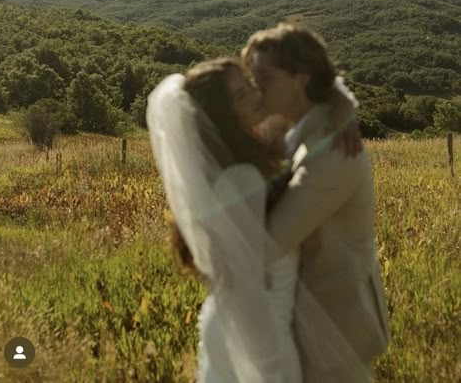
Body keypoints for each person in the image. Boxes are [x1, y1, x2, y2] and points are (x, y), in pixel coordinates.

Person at [147, 56, 370, 382]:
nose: (255, 94)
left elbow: (314, 85)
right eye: (241, 95)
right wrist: (270, 368)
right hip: (257, 335)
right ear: (225, 116)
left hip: (246, 326)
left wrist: (345, 109)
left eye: (250, 83)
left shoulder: (254, 152)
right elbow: (246, 291)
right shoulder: (243, 179)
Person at [242, 23, 390, 382]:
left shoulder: (334, 149)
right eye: (252, 78)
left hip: (335, 331)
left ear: (301, 79)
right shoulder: (298, 129)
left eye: (264, 78)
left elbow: (269, 243)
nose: (255, 89)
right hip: (306, 324)